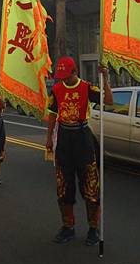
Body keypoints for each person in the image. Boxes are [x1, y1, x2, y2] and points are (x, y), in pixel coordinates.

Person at [45, 56, 113, 246]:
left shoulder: (87, 87)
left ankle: (93, 228)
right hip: (64, 140)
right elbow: (52, 114)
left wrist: (105, 78)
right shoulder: (57, 90)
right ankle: (68, 227)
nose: (63, 80)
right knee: (63, 186)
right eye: (61, 77)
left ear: (75, 72)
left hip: (83, 138)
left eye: (66, 76)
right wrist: (49, 138)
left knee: (90, 185)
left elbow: (108, 101)